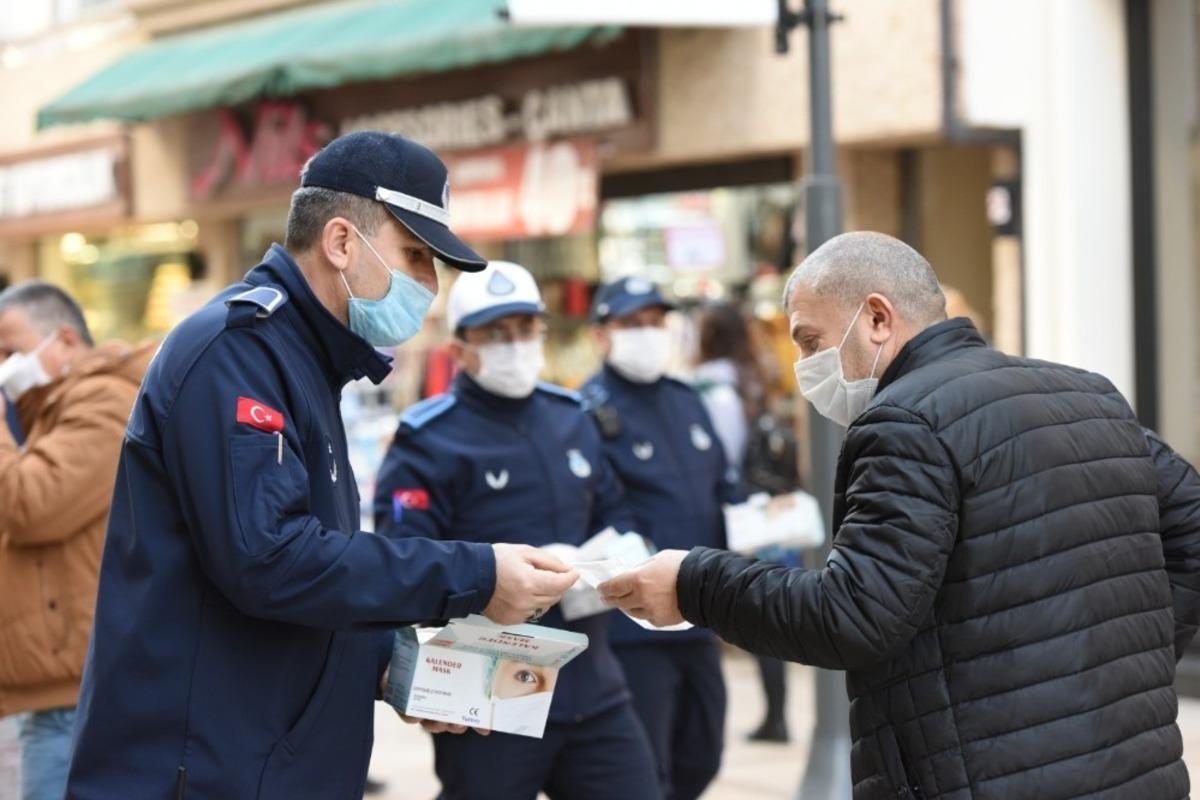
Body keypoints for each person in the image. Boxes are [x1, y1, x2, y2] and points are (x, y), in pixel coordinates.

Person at [66, 132, 578, 800]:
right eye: (416, 255)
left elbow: (308, 575)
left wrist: (391, 666)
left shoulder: (306, 362)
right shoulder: (240, 353)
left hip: (264, 762)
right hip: (202, 771)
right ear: (341, 242)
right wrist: (476, 574)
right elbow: (269, 560)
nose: (429, 284)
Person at [601, 231, 1200, 799]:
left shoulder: (904, 422)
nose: (807, 364)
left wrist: (693, 583)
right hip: (1133, 769)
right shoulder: (1087, 393)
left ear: (878, 318)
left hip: (987, 775)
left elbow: (853, 614)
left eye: (810, 341)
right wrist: (1126, 662)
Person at [373, 261, 660, 800]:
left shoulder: (573, 415)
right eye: (496, 333)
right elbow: (402, 564)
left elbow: (619, 516)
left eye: (526, 329)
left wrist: (602, 562)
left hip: (592, 682)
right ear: (459, 349)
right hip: (487, 695)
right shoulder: (428, 440)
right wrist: (491, 581)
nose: (515, 344)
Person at [0, 283, 154, 800]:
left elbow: (31, 507)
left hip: (77, 699)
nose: (4, 365)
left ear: (64, 339)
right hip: (62, 690)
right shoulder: (52, 410)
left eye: (8, 350)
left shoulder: (104, 401)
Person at [580, 278, 732, 800]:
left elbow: (722, 484)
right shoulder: (586, 411)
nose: (647, 333)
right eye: (631, 323)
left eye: (654, 322)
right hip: (635, 629)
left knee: (703, 753)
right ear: (602, 335)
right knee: (647, 769)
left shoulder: (686, 400)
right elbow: (597, 508)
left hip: (699, 611)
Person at [692, 301, 796, 745]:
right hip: (768, 514)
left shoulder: (710, 384)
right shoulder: (758, 374)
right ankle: (778, 714)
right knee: (767, 610)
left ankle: (772, 718)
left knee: (740, 609)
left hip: (736, 515)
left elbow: (721, 458)